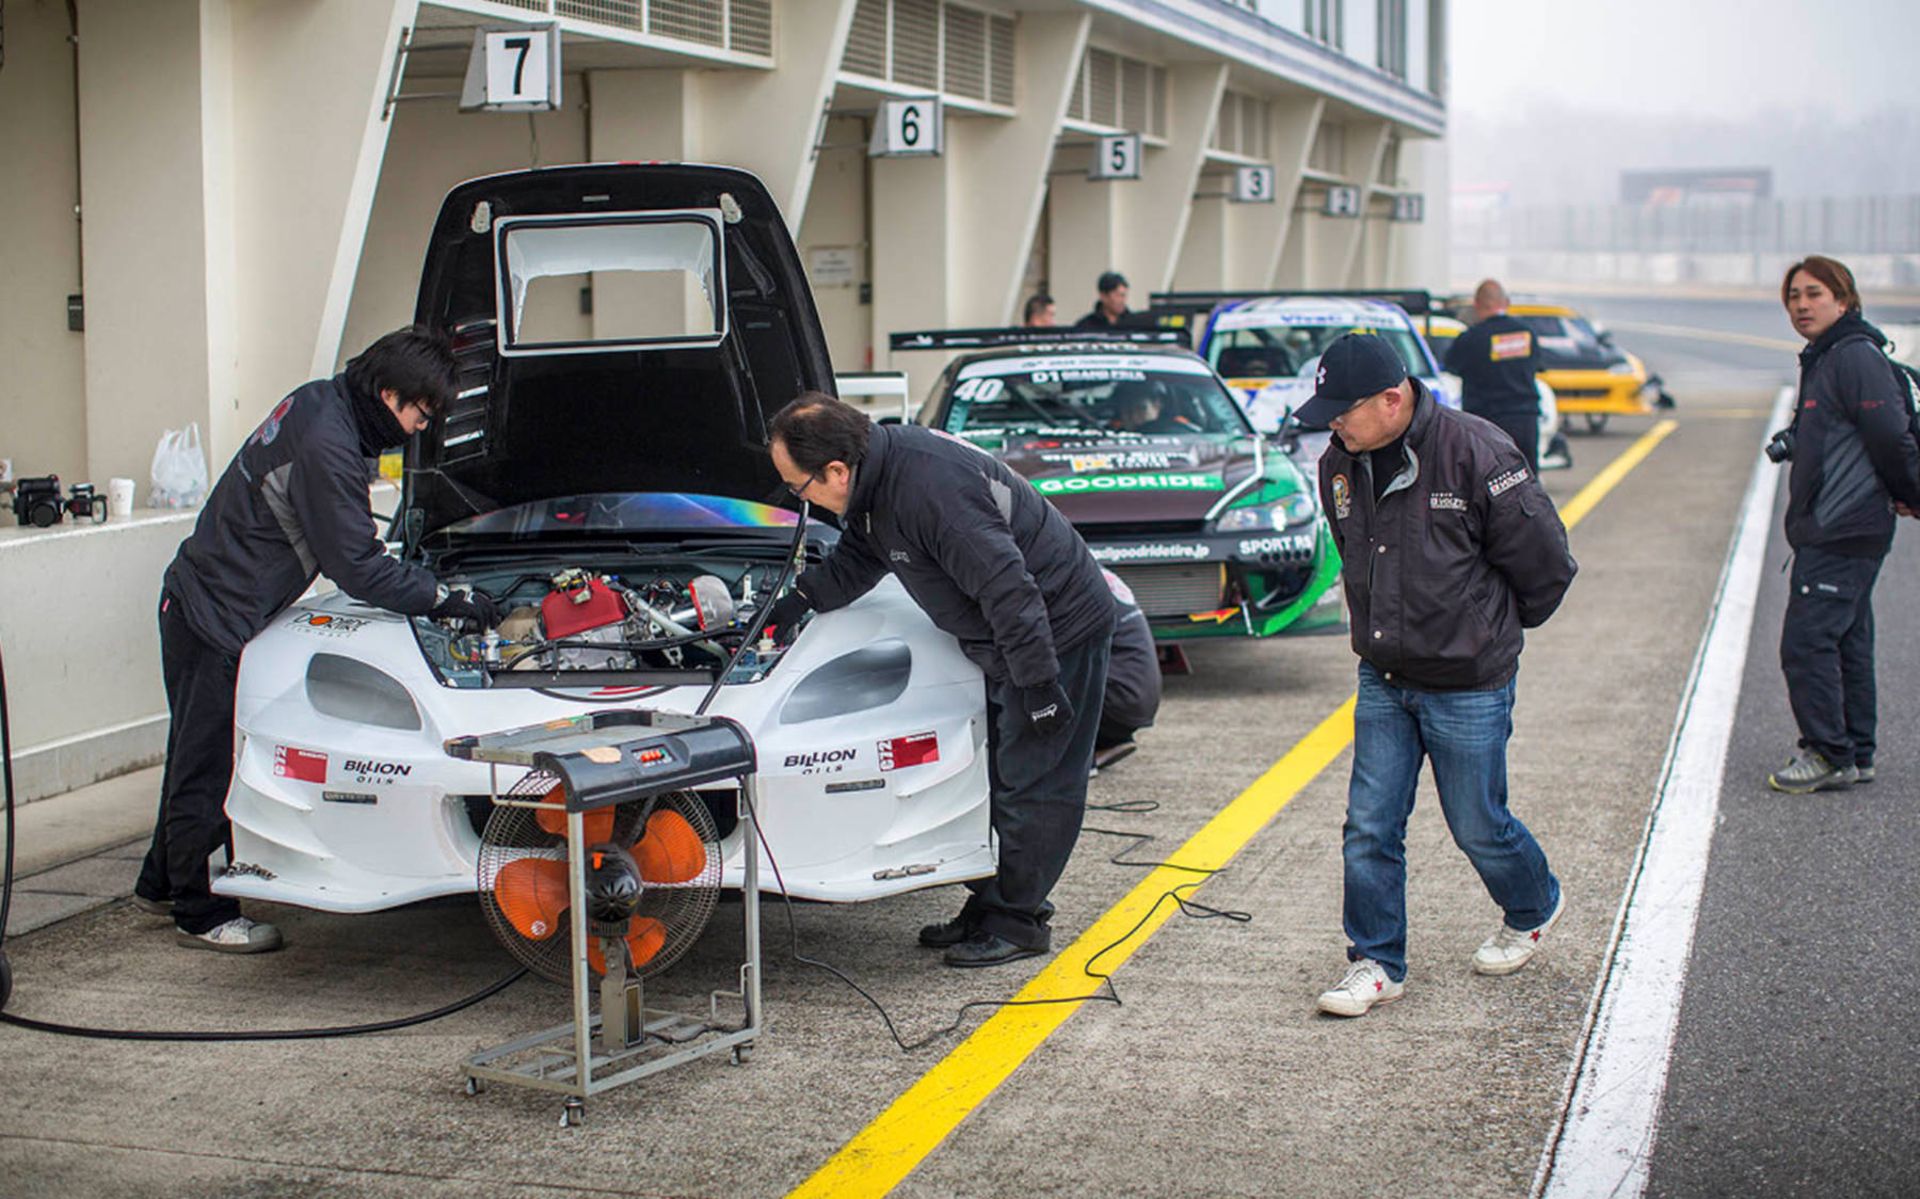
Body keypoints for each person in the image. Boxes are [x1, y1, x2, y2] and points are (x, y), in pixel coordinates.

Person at [135, 327, 499, 953]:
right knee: (208, 764)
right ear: (389, 394)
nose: (419, 427)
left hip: (197, 597)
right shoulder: (330, 446)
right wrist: (444, 598)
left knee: (191, 749)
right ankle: (201, 913)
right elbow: (356, 566)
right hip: (213, 615)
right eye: (420, 412)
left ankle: (161, 882)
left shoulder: (321, 401)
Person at [762, 394, 1116, 967]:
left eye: (798, 488)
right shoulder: (876, 479)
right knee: (1002, 774)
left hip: (1055, 633)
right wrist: (802, 600)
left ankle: (1019, 922)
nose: (800, 499)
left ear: (835, 470)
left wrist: (1040, 686)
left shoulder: (930, 489)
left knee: (1036, 780)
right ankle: (991, 903)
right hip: (1012, 638)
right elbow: (860, 557)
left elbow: (1009, 588)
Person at [1296, 333, 1578, 1018]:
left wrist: (1486, 636)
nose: (1332, 423)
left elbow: (1546, 563)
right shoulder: (1341, 462)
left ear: (1392, 399)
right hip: (1385, 676)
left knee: (1477, 821)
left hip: (1469, 680)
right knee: (1369, 824)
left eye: (1343, 409)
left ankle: (1534, 902)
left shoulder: (1477, 452)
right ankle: (1376, 960)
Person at [1767, 255, 1920, 794]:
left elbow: (1890, 434)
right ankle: (1855, 751)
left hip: (1841, 525)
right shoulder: (1829, 356)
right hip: (1842, 524)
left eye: (1815, 294)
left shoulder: (1853, 356)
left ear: (1845, 299)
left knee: (1806, 644)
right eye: (1793, 296)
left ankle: (1828, 753)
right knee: (1847, 639)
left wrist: (1911, 493)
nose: (1802, 305)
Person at [1444, 279, 1543, 473]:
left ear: (1477, 305)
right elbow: (1537, 366)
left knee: (1486, 483)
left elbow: (1451, 366)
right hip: (1524, 420)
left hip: (1486, 423)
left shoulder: (1472, 338)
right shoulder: (1526, 333)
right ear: (1506, 303)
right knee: (1527, 482)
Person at [1093, 568, 1159, 770]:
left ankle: (1078, 762)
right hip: (1137, 695)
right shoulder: (1087, 567)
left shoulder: (1065, 574)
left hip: (1116, 703)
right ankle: (1107, 742)